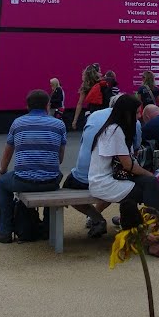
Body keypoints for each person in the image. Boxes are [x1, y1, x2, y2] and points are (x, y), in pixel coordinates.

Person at [87, 94, 159, 257]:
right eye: (136, 113)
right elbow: (128, 165)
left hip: (111, 178)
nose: (139, 117)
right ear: (127, 113)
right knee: (150, 186)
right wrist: (149, 174)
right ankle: (151, 233)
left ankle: (143, 227)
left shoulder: (113, 128)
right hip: (104, 183)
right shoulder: (115, 131)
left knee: (148, 185)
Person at [62, 94, 142, 238]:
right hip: (110, 179)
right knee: (118, 181)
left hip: (84, 177)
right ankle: (99, 217)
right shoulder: (132, 122)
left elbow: (84, 143)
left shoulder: (94, 116)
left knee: (69, 185)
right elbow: (135, 150)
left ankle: (95, 217)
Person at [0, 89, 66, 243]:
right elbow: (60, 158)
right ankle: (48, 228)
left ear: (27, 106)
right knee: (56, 175)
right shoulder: (59, 125)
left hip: (23, 181)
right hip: (50, 182)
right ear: (48, 106)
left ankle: (5, 231)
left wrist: (3, 171)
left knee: (2, 183)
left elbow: (8, 153)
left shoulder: (18, 123)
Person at [71, 63, 101, 131]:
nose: (101, 73)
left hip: (91, 112)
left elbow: (80, 103)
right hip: (102, 111)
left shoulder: (85, 86)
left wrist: (75, 120)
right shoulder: (102, 83)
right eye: (99, 72)